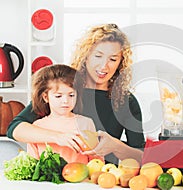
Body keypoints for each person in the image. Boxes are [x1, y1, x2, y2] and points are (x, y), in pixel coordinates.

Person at [7, 23, 145, 164]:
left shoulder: (126, 100)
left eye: (113, 59)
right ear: (86, 56)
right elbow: (15, 129)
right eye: (98, 56)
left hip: (102, 180)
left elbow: (141, 157)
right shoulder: (66, 90)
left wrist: (116, 146)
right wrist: (58, 137)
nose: (104, 66)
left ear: (121, 62)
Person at [27, 64, 103, 164]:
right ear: (46, 97)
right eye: (58, 96)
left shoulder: (86, 123)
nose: (66, 101)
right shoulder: (37, 126)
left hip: (81, 179)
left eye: (71, 95)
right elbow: (32, 164)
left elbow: (97, 160)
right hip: (47, 180)